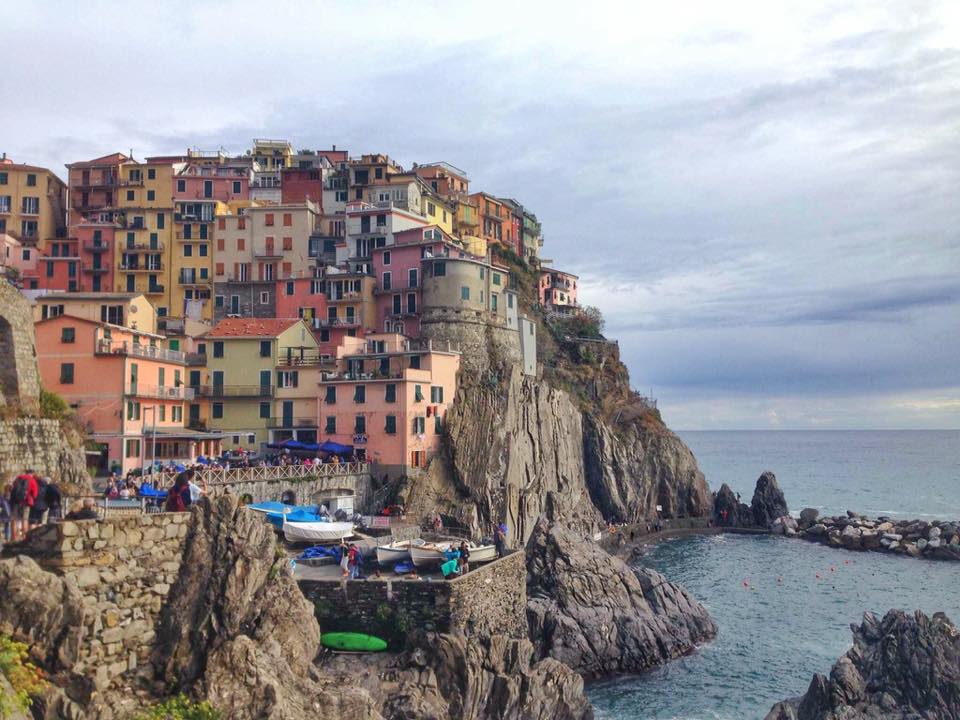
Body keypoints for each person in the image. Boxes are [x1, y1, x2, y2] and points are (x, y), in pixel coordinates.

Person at [9, 470, 38, 541]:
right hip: (26, 502)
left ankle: (13, 537)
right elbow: (35, 494)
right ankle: (25, 538)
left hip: (16, 502)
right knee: (25, 519)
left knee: (14, 520)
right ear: (32, 474)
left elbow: (12, 490)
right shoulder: (32, 480)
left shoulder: (17, 479)